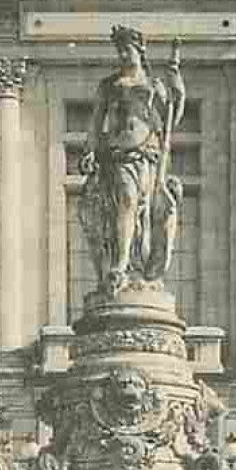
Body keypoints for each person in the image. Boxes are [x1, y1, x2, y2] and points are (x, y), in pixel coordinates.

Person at [78, 25, 186, 293]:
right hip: (117, 156)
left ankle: (138, 267)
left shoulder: (153, 85)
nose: (124, 56)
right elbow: (95, 122)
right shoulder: (109, 85)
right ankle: (121, 264)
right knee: (126, 200)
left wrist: (177, 86)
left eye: (128, 50)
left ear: (140, 51)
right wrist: (90, 149)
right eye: (120, 51)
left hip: (147, 155)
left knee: (144, 213)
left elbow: (174, 114)